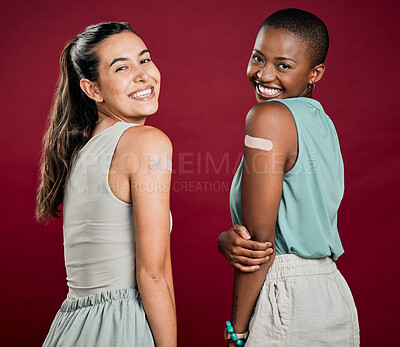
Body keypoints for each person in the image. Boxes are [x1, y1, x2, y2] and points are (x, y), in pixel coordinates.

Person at [218, 8, 359, 346]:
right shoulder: (322, 123)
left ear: (315, 73)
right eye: (258, 58)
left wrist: (236, 331)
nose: (264, 75)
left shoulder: (267, 117)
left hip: (286, 296)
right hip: (331, 293)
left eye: (283, 65)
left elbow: (257, 244)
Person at [35, 22, 176, 347]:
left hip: (71, 326)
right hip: (120, 325)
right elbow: (152, 275)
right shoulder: (145, 142)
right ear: (92, 89)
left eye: (144, 59)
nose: (143, 75)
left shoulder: (83, 150)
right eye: (122, 67)